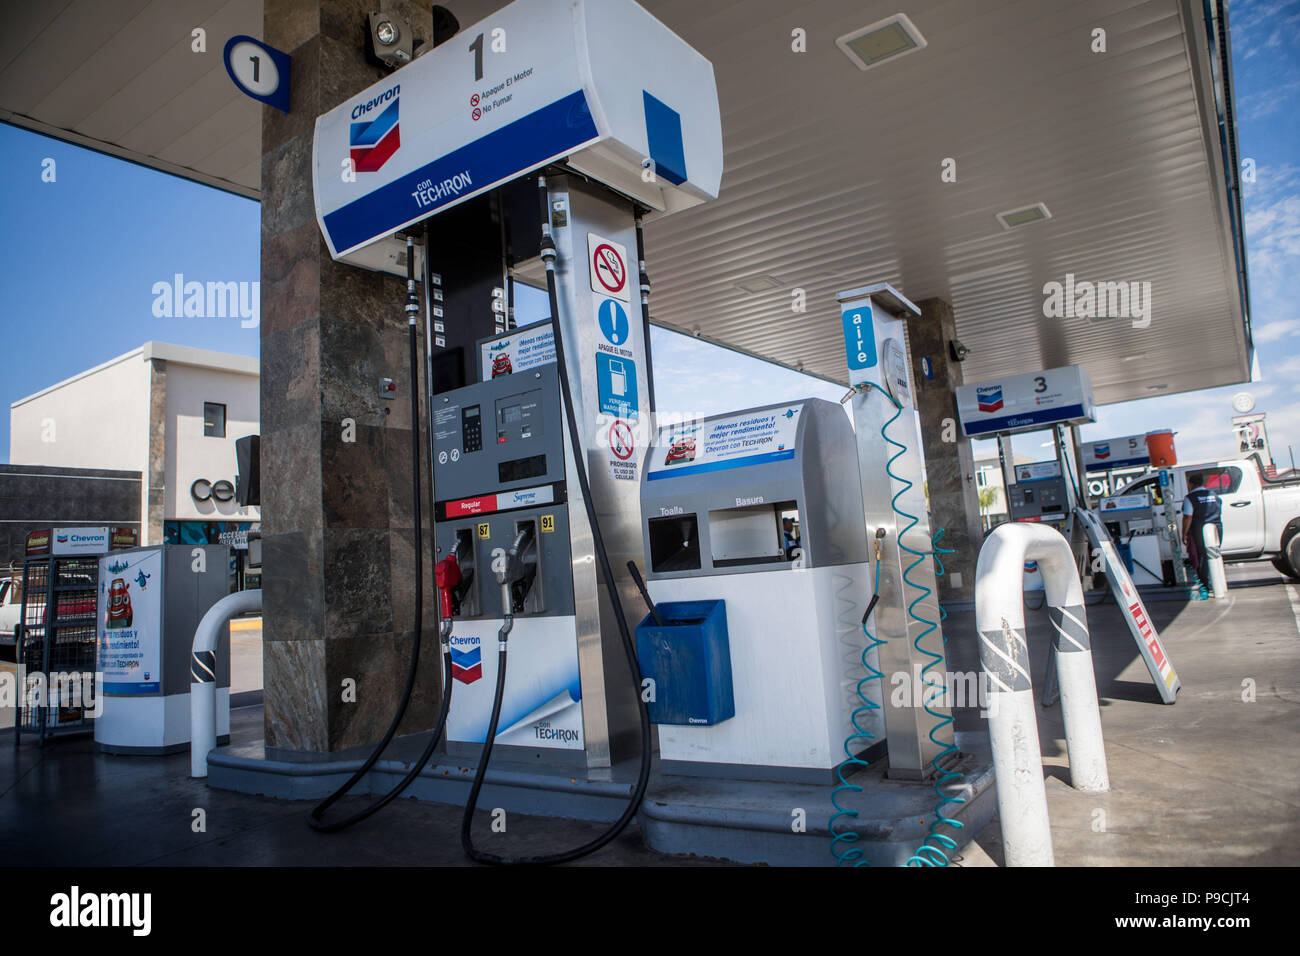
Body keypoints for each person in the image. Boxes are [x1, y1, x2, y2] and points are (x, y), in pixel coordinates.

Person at [1181, 473, 1223, 597]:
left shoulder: (1190, 498)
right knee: (1215, 556)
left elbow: (1188, 517)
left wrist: (1184, 534)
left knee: (1201, 559)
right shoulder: (1214, 496)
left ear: (1190, 483)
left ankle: (1205, 586)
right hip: (1216, 529)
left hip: (1200, 531)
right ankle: (1218, 585)